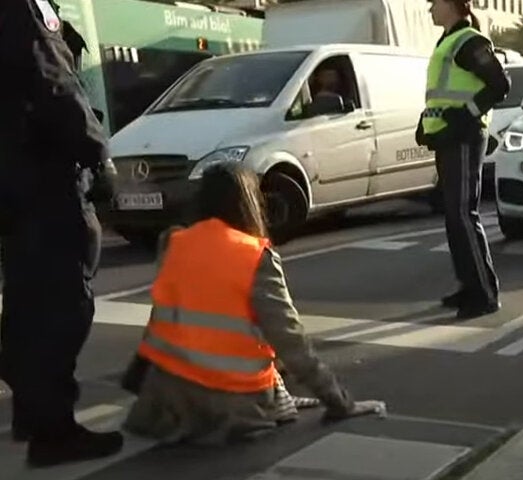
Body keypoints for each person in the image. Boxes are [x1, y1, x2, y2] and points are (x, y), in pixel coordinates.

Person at [122, 163, 385, 445]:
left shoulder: (173, 242)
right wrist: (340, 402)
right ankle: (279, 395)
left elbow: (165, 319)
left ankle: (278, 391)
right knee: (269, 338)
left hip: (163, 401)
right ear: (249, 202)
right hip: (229, 405)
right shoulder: (254, 255)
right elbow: (291, 341)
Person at [0, 0, 120, 467]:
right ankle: (54, 431)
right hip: (43, 178)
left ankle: (33, 411)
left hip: (13, 181)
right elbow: (53, 80)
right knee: (63, 304)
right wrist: (96, 151)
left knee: (30, 297)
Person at [416, 0, 509, 320]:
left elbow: (500, 86)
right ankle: (469, 286)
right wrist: (425, 123)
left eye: (434, 4)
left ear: (452, 6)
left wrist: (463, 117)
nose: (430, 10)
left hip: (465, 137)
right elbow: (443, 93)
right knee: (454, 216)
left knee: (463, 214)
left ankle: (484, 294)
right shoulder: (448, 40)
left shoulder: (469, 41)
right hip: (449, 137)